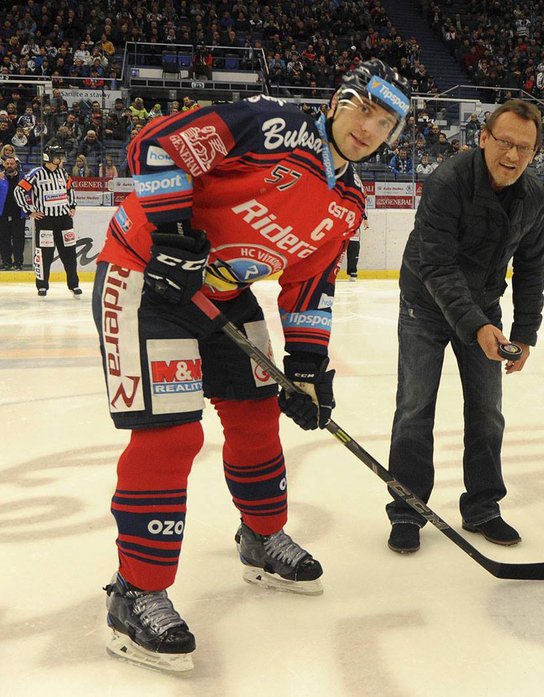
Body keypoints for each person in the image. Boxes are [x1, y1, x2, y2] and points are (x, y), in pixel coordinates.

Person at [89, 59, 410, 672]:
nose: (370, 128)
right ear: (338, 101)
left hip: (221, 294)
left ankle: (262, 538)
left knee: (258, 413)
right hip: (143, 278)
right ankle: (135, 592)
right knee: (172, 434)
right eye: (364, 109)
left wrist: (310, 366)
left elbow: (310, 284)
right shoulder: (271, 124)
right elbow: (154, 144)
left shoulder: (347, 202)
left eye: (386, 122)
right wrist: (174, 228)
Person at [385, 99, 544, 554]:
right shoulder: (447, 183)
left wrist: (525, 334)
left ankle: (482, 508)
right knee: (415, 409)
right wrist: (476, 325)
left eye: (525, 148)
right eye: (505, 143)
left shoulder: (533, 195)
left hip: (483, 307)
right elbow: (436, 265)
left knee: (487, 412)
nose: (513, 156)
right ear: (482, 139)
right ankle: (407, 511)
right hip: (425, 305)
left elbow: (532, 267)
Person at [13, 145, 82, 296]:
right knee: (45, 254)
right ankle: (42, 286)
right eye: (58, 155)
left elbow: (71, 188)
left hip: (64, 219)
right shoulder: (36, 174)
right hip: (45, 220)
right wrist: (29, 211)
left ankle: (74, 284)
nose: (60, 158)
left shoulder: (62, 172)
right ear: (49, 157)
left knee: (69, 253)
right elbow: (19, 190)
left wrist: (72, 205)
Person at [0, 155, 27, 270]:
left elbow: (29, 192)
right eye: (7, 164)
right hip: (3, 214)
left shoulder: (24, 177)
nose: (9, 166)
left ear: (16, 165)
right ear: (4, 165)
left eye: (12, 164)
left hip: (19, 214)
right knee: (3, 239)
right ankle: (6, 262)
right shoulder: (0, 177)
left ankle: (18, 263)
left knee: (18, 239)